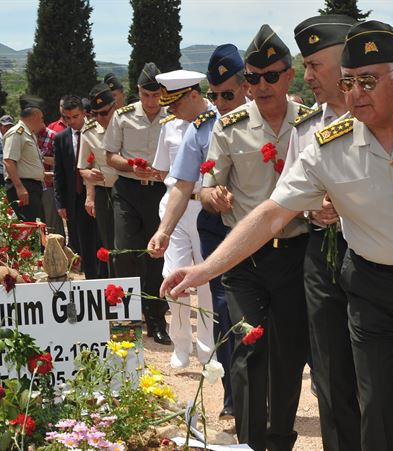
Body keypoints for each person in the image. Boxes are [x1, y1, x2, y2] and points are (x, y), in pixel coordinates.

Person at [162, 20, 393, 451]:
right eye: (348, 82)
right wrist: (204, 268)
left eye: (368, 81)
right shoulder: (327, 145)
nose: (356, 93)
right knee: (381, 417)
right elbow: (271, 214)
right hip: (375, 297)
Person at [196, 25, 311, 450]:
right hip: (244, 258)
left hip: (298, 253)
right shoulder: (229, 127)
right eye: (252, 78)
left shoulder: (314, 124)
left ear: (289, 75)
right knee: (247, 348)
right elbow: (205, 186)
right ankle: (249, 442)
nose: (260, 86)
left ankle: (279, 439)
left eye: (270, 76)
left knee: (288, 356)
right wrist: (213, 196)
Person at [148, 43, 247, 420]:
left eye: (228, 95)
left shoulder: (273, 122)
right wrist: (163, 230)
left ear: (245, 88)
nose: (220, 103)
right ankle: (233, 396)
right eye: (216, 95)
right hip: (218, 232)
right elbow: (182, 186)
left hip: (271, 237)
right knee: (222, 308)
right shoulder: (199, 130)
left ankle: (269, 389)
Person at [286, 14, 361, 451]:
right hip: (323, 253)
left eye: (315, 65)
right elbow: (289, 197)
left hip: (381, 255)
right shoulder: (307, 127)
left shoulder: (386, 115)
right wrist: (317, 206)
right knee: (331, 368)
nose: (307, 75)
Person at [150, 70, 215, 370]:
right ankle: (181, 344)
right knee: (173, 276)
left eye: (174, 102)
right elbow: (165, 171)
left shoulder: (219, 122)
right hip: (175, 207)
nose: (170, 109)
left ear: (193, 95)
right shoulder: (171, 127)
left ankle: (208, 347)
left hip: (206, 208)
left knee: (205, 280)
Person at [104, 62, 171, 345]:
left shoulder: (172, 116)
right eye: (146, 95)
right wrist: (133, 167)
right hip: (128, 190)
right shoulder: (123, 116)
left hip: (159, 191)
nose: (151, 101)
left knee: (156, 255)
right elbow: (110, 156)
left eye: (156, 95)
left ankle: (156, 318)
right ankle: (127, 320)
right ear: (139, 92)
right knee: (124, 252)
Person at [53, 92, 103, 280]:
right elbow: (59, 173)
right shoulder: (61, 138)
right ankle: (91, 278)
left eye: (75, 117)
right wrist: (60, 203)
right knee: (82, 241)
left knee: (100, 237)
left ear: (84, 113)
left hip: (98, 193)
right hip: (75, 196)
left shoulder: (97, 132)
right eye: (66, 118)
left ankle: (104, 276)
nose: (71, 121)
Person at [76, 85, 117, 277]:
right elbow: (83, 166)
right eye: (95, 114)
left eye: (105, 113)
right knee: (108, 243)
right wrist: (89, 194)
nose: (100, 118)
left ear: (115, 107)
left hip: (130, 189)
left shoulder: (128, 125)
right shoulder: (89, 130)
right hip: (105, 192)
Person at [3, 95, 46, 222]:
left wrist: (42, 174)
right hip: (24, 187)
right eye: (41, 118)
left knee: (37, 225)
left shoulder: (29, 133)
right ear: (34, 116)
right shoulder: (17, 132)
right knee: (30, 226)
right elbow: (8, 161)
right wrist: (20, 187)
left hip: (32, 187)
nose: (43, 123)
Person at [38, 124, 65, 237]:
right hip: (32, 185)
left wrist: (39, 158)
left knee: (52, 223)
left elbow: (61, 160)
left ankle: (57, 249)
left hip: (49, 185)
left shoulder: (53, 136)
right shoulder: (27, 136)